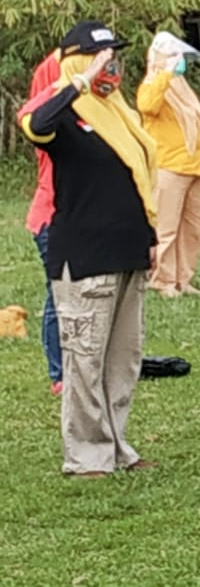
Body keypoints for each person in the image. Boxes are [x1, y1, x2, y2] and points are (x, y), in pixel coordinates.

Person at [19, 21, 158, 478]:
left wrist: (150, 240)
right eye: (101, 58)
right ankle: (86, 456)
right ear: (77, 61)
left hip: (127, 252)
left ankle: (117, 446)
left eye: (115, 57)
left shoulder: (118, 112)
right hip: (84, 257)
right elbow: (36, 122)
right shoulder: (64, 115)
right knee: (85, 359)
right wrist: (76, 81)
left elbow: (138, 182)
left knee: (123, 360)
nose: (111, 66)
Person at [136, 33, 200, 297]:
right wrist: (165, 73)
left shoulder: (183, 87)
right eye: (171, 56)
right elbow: (146, 105)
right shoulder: (152, 84)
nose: (177, 61)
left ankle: (184, 278)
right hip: (169, 165)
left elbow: (197, 127)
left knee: (193, 228)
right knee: (166, 228)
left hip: (196, 167)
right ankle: (163, 280)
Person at [22, 50, 64, 396]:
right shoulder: (45, 126)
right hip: (51, 216)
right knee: (59, 292)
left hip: (81, 218)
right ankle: (59, 373)